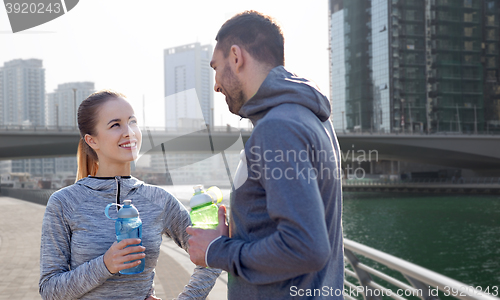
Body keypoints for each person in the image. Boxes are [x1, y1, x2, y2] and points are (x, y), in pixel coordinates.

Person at [186, 10, 344, 300]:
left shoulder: (277, 127)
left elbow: (306, 247)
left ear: (236, 56)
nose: (216, 84)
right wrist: (239, 231)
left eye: (216, 68)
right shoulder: (313, 119)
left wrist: (216, 250)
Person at [39, 90, 221, 300]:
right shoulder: (64, 203)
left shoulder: (159, 200)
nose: (129, 132)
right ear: (92, 140)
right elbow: (49, 290)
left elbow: (212, 254)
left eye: (132, 122)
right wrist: (106, 264)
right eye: (115, 125)